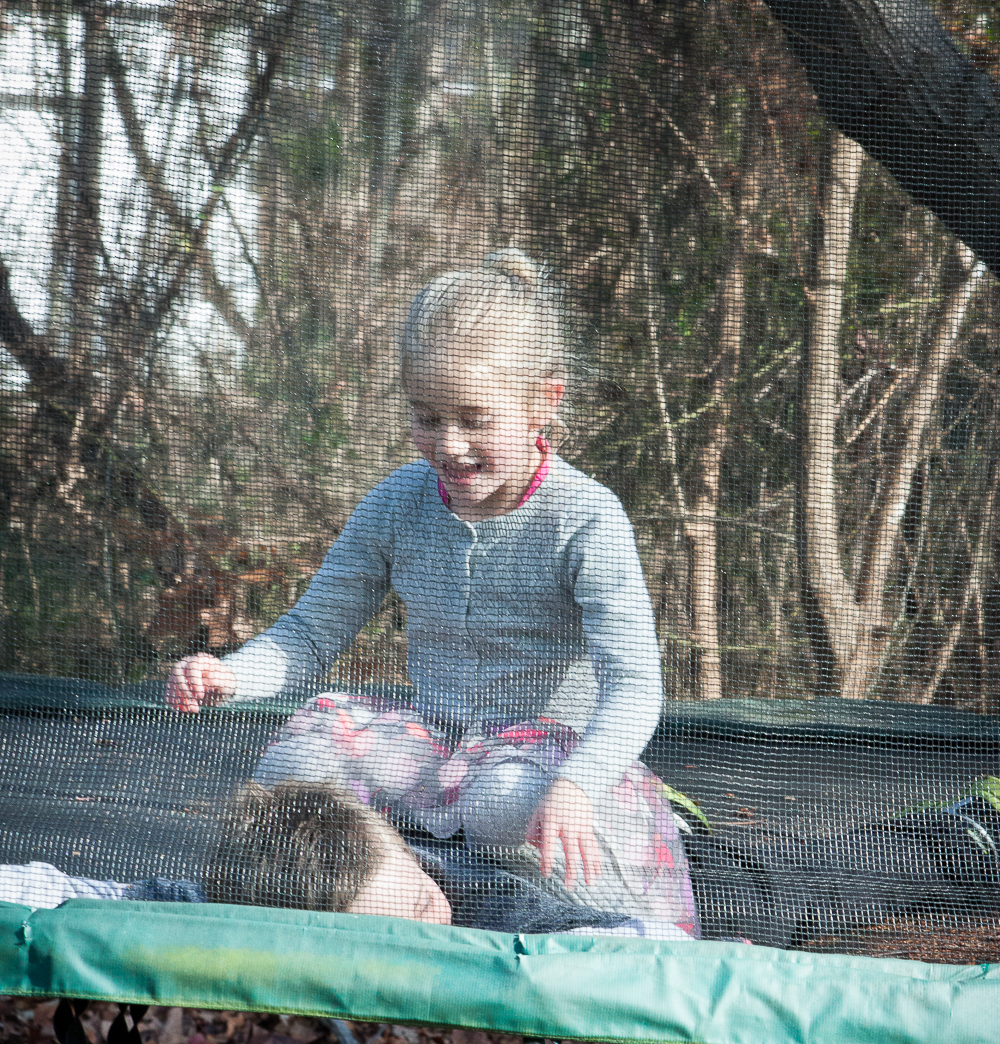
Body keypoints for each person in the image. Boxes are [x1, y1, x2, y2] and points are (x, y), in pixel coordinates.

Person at [166, 250, 696, 941]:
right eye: (427, 416)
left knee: (503, 802)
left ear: (543, 403)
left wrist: (578, 783)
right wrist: (232, 674)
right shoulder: (398, 503)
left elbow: (634, 687)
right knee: (299, 763)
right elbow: (311, 633)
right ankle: (368, 908)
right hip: (439, 747)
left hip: (550, 760)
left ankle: (587, 926)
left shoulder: (585, 518)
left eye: (475, 419)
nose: (449, 444)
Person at [0, 779, 452, 925]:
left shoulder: (479, 896)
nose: (435, 931)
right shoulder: (208, 919)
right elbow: (58, 893)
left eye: (422, 900)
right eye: (391, 937)